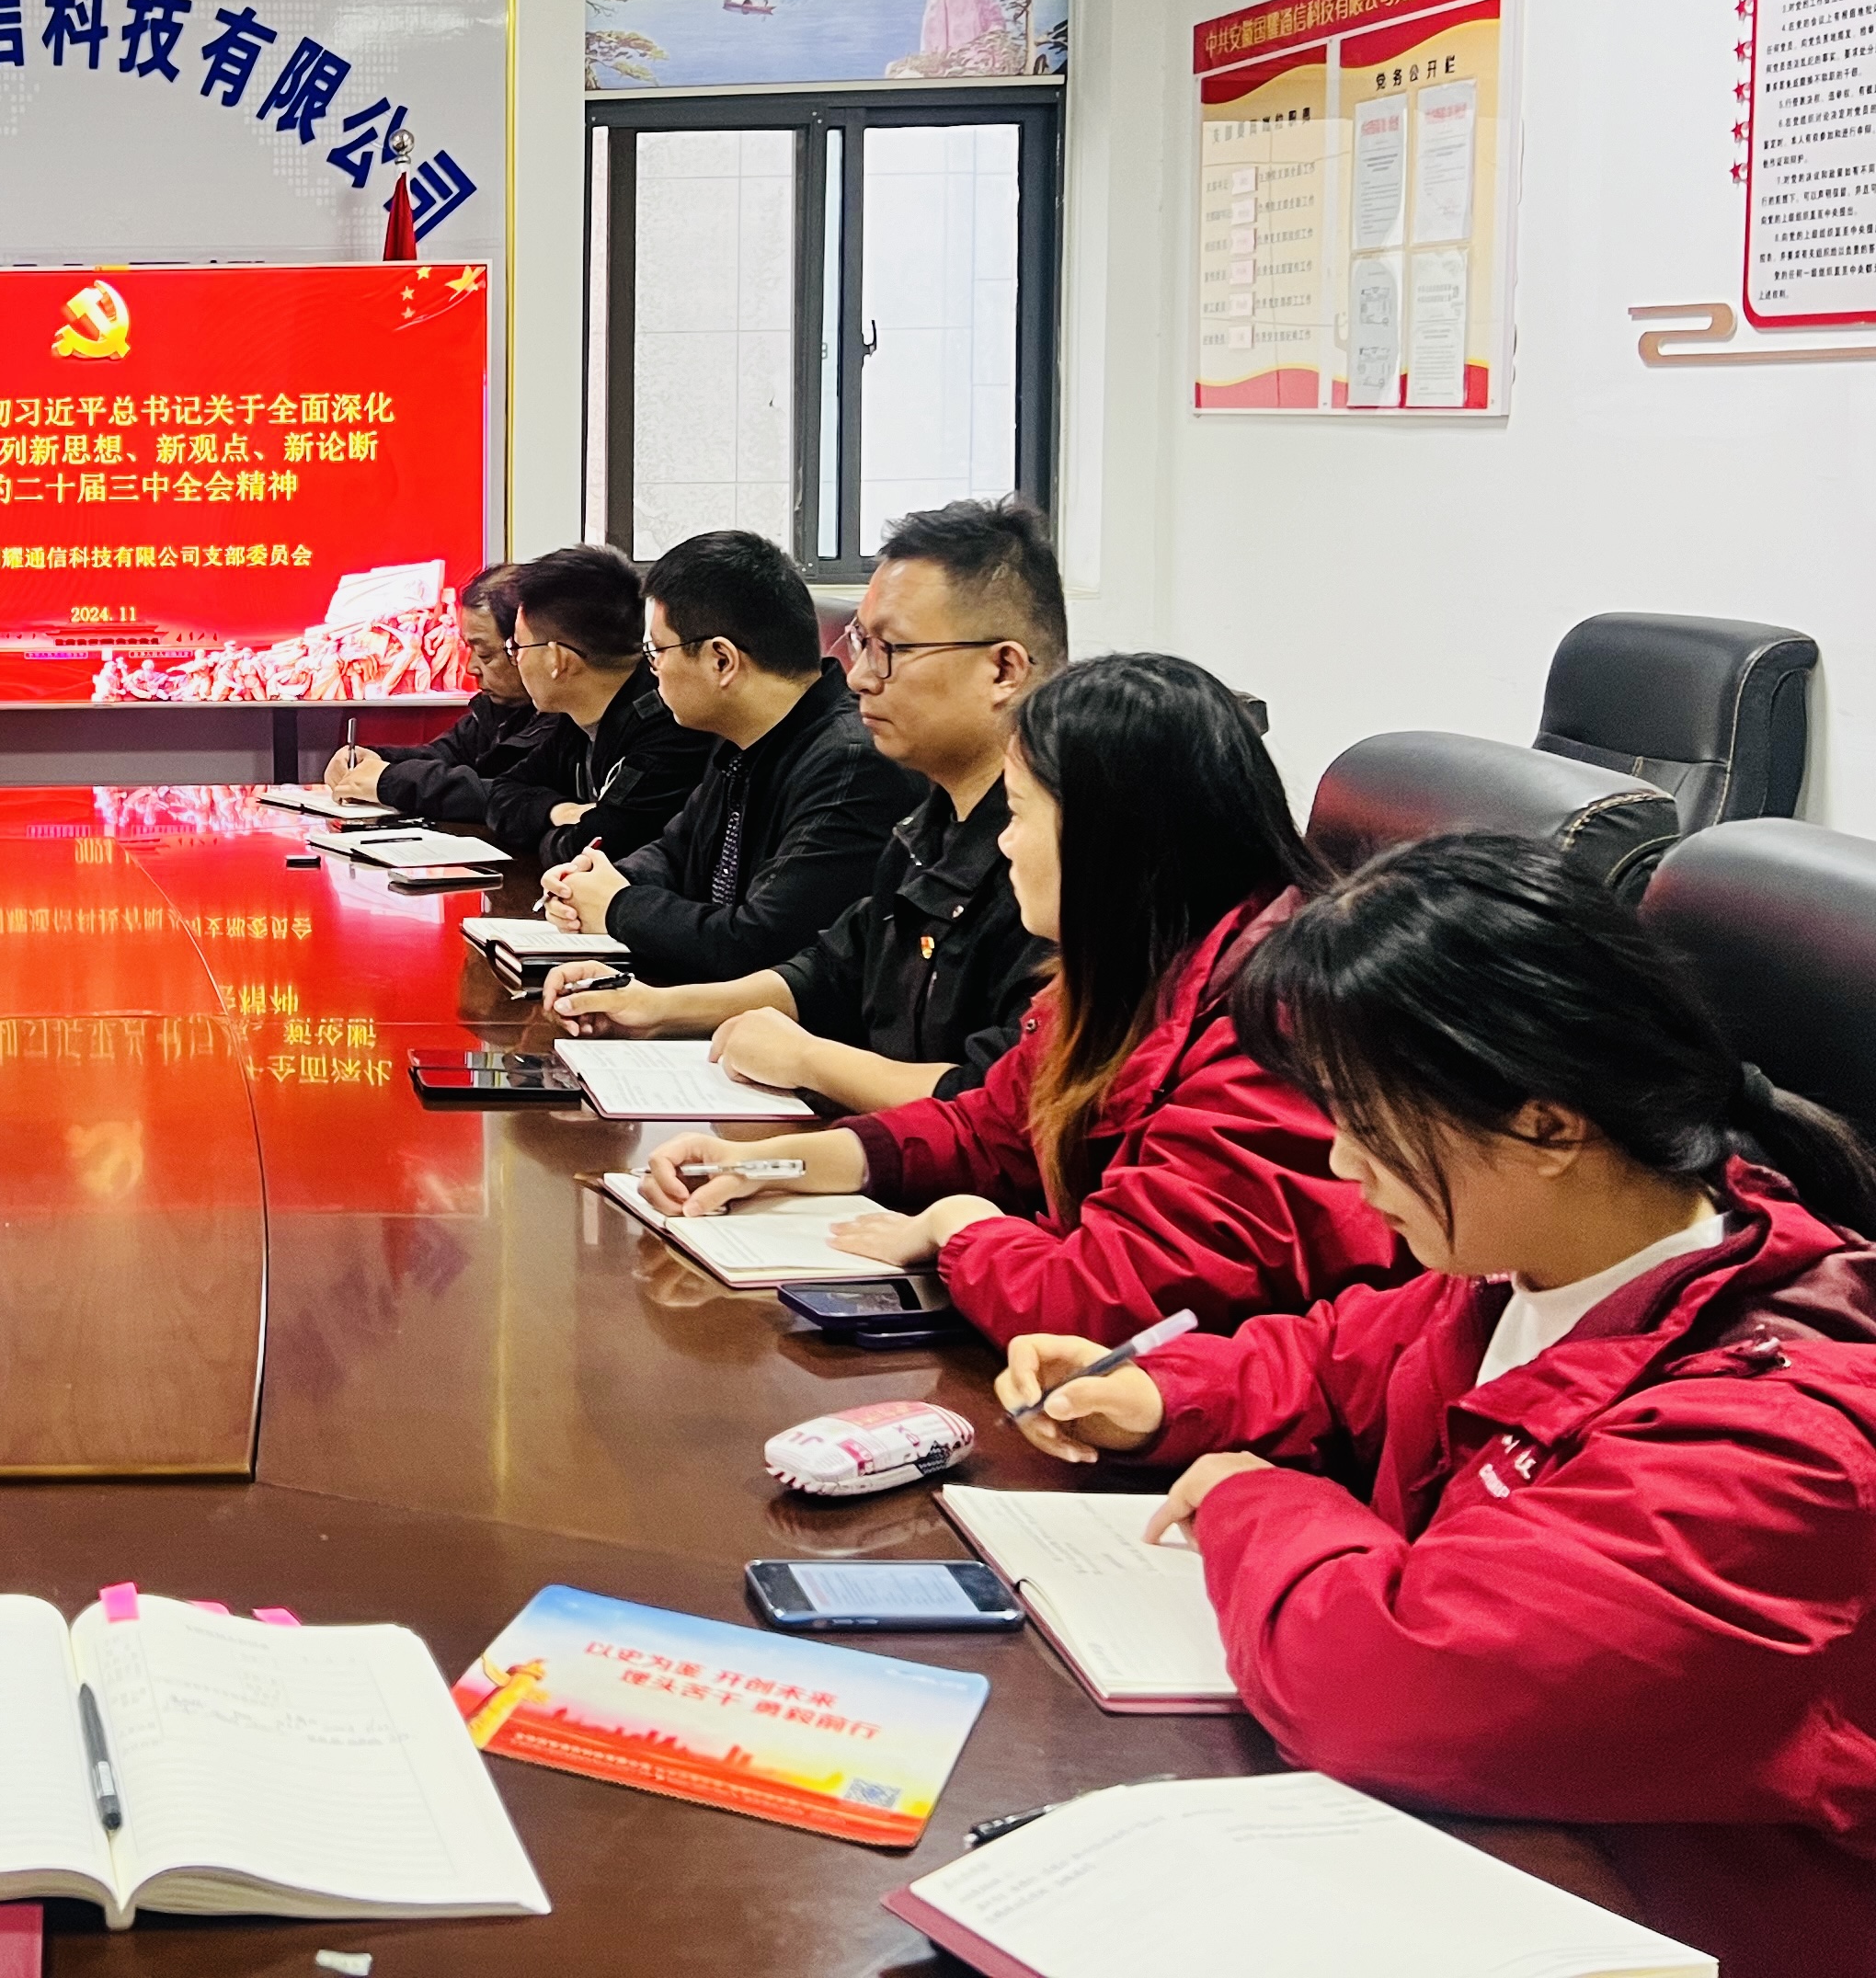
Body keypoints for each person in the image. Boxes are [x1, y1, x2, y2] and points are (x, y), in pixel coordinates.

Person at [997, 836, 1876, 1969]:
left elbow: (1394, 1679)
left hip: (1670, 1925)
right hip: (1490, 1859)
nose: (1341, 1163)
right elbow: (1344, 1354)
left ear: (1549, 1125)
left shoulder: (1785, 1438)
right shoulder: (1543, 1261)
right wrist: (1157, 1391)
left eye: (1368, 1123)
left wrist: (1255, 1500)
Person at [638, 651, 1401, 1344]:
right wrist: (779, 1163)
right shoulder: (1138, 968)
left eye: (1020, 812)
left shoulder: (1274, 1029)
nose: (1004, 842)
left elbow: (1113, 1301)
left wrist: (960, 1227)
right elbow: (993, 1128)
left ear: (1108, 840)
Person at [546, 497, 1062, 1108]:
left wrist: (808, 1061)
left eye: (890, 650)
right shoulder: (932, 823)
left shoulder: (1060, 860)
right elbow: (833, 969)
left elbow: (1007, 1103)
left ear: (1003, 670)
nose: (859, 676)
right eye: (860, 642)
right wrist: (656, 1008)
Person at [538, 528, 921, 983]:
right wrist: (596, 880)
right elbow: (676, 851)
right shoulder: (742, 737)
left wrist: (618, 906)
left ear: (722, 660)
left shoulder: (851, 764)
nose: (652, 669)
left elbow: (759, 944)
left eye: (656, 651)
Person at [317, 565, 575, 853]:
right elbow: (447, 754)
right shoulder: (501, 709)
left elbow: (504, 795)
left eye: (485, 654)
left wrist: (389, 780)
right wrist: (375, 759)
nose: (471, 668)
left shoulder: (567, 716)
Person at [495, 543, 715, 867]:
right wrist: (560, 811)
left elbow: (594, 849)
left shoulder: (670, 728)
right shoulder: (577, 718)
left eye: (517, 646)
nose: (515, 659)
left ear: (558, 659)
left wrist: (555, 833)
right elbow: (503, 793)